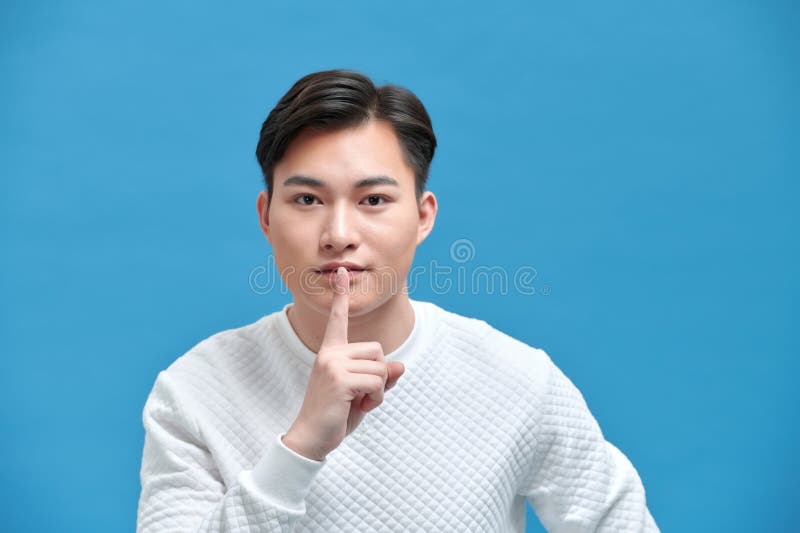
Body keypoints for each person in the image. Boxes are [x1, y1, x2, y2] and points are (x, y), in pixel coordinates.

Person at [136, 68, 659, 532]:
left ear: (424, 216)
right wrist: (300, 448)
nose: (339, 233)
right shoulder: (194, 392)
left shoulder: (517, 379)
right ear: (266, 216)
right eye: (307, 200)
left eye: (374, 200)